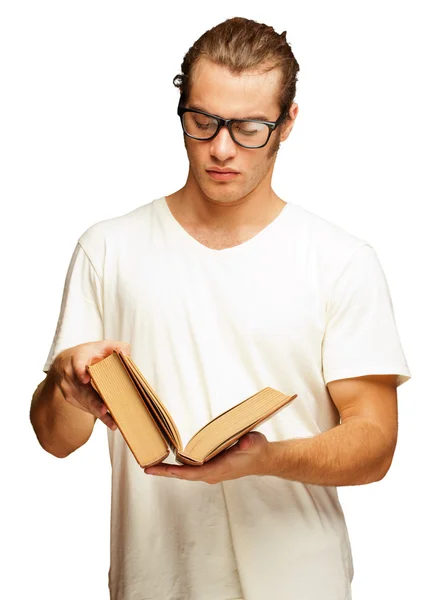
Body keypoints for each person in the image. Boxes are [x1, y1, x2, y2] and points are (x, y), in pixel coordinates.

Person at [30, 16, 412, 600]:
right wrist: (67, 386)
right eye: (202, 122)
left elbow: (375, 446)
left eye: (250, 127)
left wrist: (264, 459)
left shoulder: (340, 260)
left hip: (300, 584)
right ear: (181, 110)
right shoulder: (108, 249)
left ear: (288, 124)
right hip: (154, 579)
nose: (222, 148)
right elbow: (56, 440)